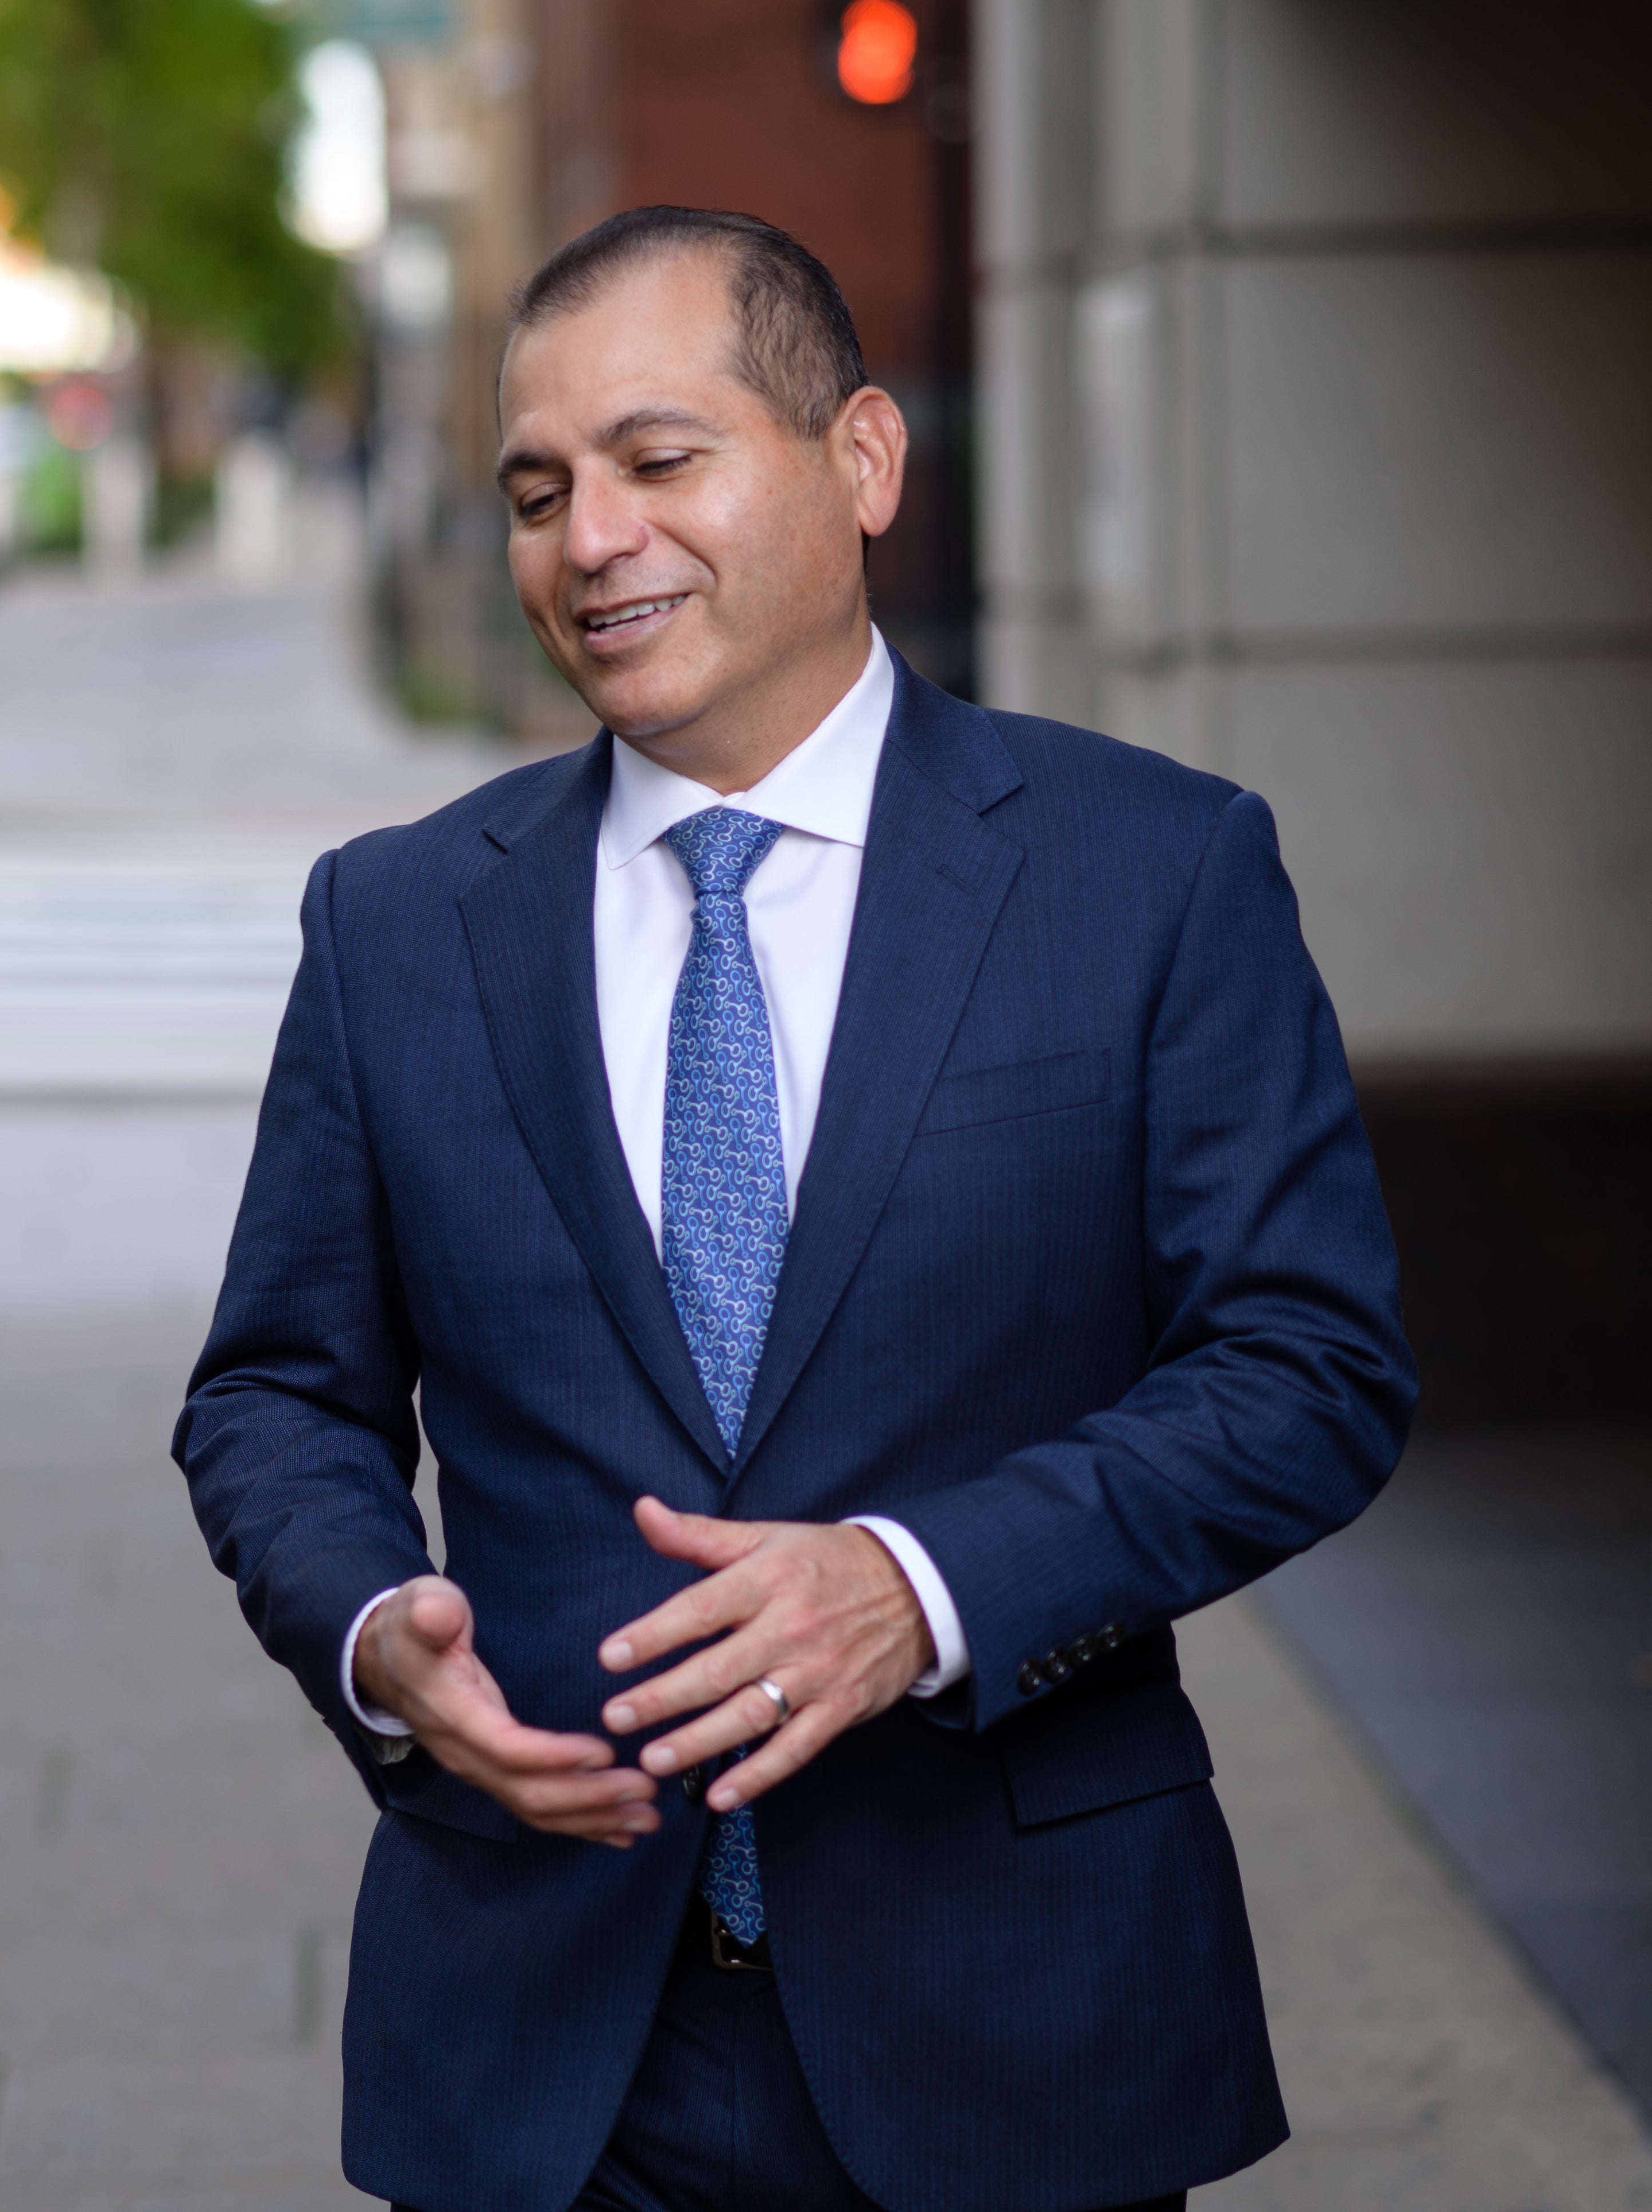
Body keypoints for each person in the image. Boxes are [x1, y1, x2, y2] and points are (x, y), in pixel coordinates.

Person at [175, 207, 1413, 2212]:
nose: (590, 539)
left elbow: (1312, 1369)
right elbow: (274, 1395)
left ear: (861, 460)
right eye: (536, 489)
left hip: (1018, 2024)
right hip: (545, 2046)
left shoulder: (1150, 872)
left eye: (660, 462)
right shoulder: (399, 920)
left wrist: (917, 1585)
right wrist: (373, 1625)